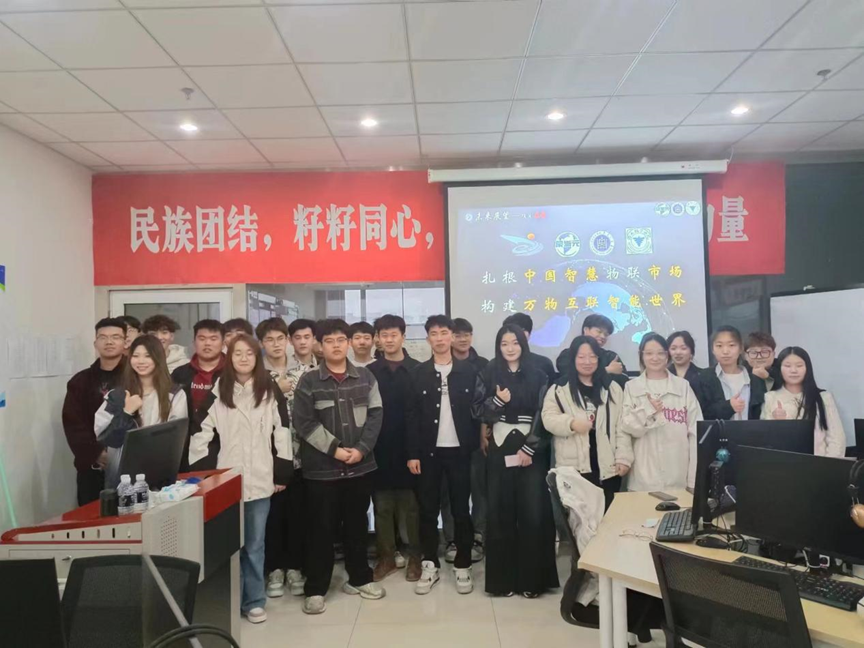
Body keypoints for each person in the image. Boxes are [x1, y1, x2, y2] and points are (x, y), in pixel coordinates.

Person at [189, 334, 292, 625]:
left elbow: (282, 432)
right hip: (226, 481)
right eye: (237, 353)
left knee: (255, 545)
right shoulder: (218, 390)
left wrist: (282, 472)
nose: (244, 358)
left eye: (249, 353)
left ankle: (254, 601)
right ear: (229, 358)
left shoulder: (269, 389)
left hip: (261, 477)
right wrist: (206, 476)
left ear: (257, 357)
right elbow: (200, 434)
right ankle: (229, 602)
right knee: (228, 547)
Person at [292, 319, 385, 615]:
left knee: (357, 525)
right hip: (322, 470)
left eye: (340, 340)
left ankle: (360, 579)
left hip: (360, 466)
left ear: (348, 343)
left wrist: (361, 449)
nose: (336, 345)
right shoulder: (309, 381)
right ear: (320, 345)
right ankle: (316, 589)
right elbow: (304, 422)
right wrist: (336, 450)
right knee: (320, 530)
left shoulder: (366, 377)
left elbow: (376, 415)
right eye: (329, 341)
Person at [477, 324, 558, 597]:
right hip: (499, 448)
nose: (510, 348)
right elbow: (477, 411)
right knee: (500, 514)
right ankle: (502, 583)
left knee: (532, 514)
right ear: (498, 346)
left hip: (530, 450)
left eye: (515, 343)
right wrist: (497, 402)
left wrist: (530, 448)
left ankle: (531, 582)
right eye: (504, 344)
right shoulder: (489, 371)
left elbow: (545, 414)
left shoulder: (539, 373)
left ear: (523, 345)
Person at [406, 315, 481, 596]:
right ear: (428, 339)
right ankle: (430, 564)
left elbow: (477, 412)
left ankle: (463, 563)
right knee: (428, 510)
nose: (439, 338)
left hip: (460, 452)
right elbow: (411, 417)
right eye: (434, 334)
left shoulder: (469, 372)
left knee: (461, 509)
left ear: (452, 336)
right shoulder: (418, 373)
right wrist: (412, 453)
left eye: (444, 332)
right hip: (428, 453)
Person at [253, 317, 308, 599]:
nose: (276, 345)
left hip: (302, 454)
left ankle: (295, 567)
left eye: (280, 339)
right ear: (261, 343)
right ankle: (275, 568)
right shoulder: (256, 374)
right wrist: (276, 391)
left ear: (287, 340)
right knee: (272, 515)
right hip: (269, 457)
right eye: (269, 340)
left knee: (298, 514)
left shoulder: (305, 371)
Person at [542, 335, 627, 510]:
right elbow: (548, 418)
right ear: (573, 359)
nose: (587, 362)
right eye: (581, 357)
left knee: (609, 517)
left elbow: (621, 427)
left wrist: (623, 457)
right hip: (575, 469)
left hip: (608, 467)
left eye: (592, 356)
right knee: (579, 520)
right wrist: (570, 423)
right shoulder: (560, 388)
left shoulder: (612, 388)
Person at [368, 315, 422, 582]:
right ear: (378, 338)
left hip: (410, 448)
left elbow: (421, 414)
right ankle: (386, 557)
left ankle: (415, 557)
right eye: (384, 335)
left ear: (403, 336)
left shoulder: (417, 370)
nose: (389, 340)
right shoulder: (369, 372)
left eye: (393, 335)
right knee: (382, 506)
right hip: (378, 448)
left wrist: (416, 451)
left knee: (410, 507)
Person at [94, 335, 187, 488]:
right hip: (121, 478)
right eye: (136, 356)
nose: (141, 361)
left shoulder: (174, 394)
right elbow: (108, 439)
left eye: (147, 356)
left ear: (158, 358)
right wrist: (126, 412)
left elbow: (175, 439)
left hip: (160, 474)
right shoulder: (116, 395)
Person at [618, 333, 702, 493]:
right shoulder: (632, 387)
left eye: (660, 353)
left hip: (678, 474)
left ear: (667, 355)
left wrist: (693, 480)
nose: (655, 358)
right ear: (641, 356)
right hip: (642, 477)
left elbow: (695, 433)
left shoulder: (683, 386)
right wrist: (647, 410)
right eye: (649, 353)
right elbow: (627, 428)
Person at [62, 318, 127, 506]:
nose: (109, 342)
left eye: (116, 337)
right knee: (91, 517)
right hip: (92, 468)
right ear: (95, 343)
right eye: (103, 337)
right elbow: (73, 424)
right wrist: (97, 453)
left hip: (130, 466)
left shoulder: (136, 376)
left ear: (125, 342)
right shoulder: (80, 381)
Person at [444, 317, 489, 563]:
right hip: (447, 441)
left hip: (476, 438)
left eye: (466, 334)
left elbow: (489, 403)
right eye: (457, 334)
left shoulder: (483, 365)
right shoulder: (442, 363)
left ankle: (478, 536)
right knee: (449, 492)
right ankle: (452, 538)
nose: (462, 339)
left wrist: (484, 432)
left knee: (479, 490)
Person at [762, 347, 846, 457]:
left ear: (807, 368)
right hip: (784, 463)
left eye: (799, 365)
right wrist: (777, 422)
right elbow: (766, 441)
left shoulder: (823, 397)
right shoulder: (770, 397)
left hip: (820, 464)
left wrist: (827, 465)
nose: (793, 370)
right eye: (787, 366)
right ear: (779, 368)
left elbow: (837, 439)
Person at [171, 319, 226, 472]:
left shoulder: (233, 372)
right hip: (186, 445)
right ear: (194, 342)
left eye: (213, 339)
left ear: (223, 343)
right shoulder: (180, 374)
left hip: (224, 444)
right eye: (202, 338)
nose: (207, 343)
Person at [698, 326, 765, 421]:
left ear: (741, 348)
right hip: (718, 430)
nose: (725, 351)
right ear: (712, 349)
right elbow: (700, 414)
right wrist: (728, 406)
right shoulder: (703, 378)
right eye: (719, 346)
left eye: (731, 345)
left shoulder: (755, 381)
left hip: (750, 430)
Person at [555, 314, 627, 385]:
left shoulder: (611, 356)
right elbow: (568, 377)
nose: (603, 336)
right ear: (586, 330)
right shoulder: (568, 354)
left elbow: (624, 381)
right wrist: (607, 370)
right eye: (599, 331)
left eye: (606, 334)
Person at [502, 312, 557, 383]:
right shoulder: (493, 366)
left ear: (529, 334)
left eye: (522, 330)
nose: (517, 335)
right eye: (512, 331)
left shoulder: (544, 364)